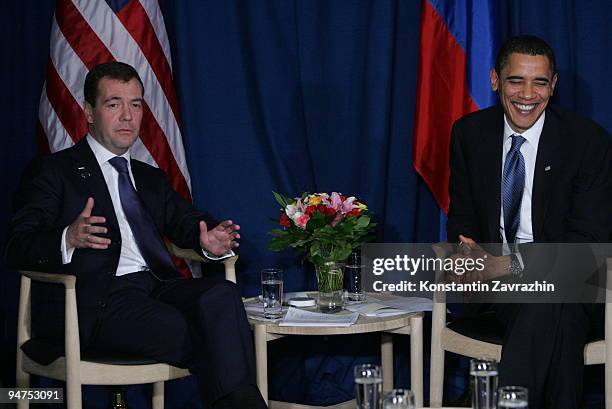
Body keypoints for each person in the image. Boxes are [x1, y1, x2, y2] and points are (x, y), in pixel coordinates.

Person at [6, 62, 267, 409]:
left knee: (222, 295)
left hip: (156, 288)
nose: (127, 116)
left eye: (136, 105)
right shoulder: (55, 171)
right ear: (88, 112)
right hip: (95, 299)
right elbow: (17, 245)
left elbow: (186, 220)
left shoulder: (148, 177)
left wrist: (207, 239)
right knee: (214, 333)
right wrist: (67, 237)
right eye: (114, 104)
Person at [446, 35, 612, 409]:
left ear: (553, 86)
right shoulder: (470, 134)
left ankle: (493, 401)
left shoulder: (587, 142)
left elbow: (586, 242)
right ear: (495, 80)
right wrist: (466, 249)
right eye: (515, 80)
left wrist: (507, 264)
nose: (527, 93)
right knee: (555, 318)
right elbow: (462, 215)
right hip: (495, 289)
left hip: (573, 284)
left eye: (539, 82)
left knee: (549, 297)